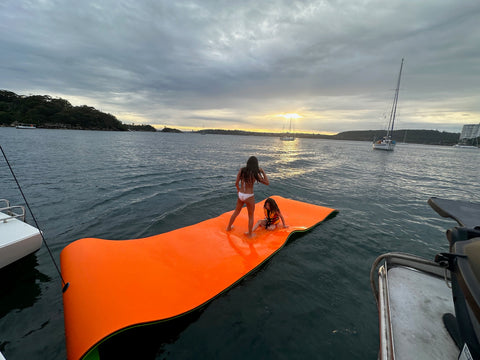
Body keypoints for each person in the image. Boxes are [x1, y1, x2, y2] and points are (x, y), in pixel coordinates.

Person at [226, 156, 269, 237]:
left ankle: (228, 227)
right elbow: (267, 182)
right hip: (249, 196)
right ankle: (249, 234)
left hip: (241, 194)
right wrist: (262, 172)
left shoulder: (242, 170)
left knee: (236, 212)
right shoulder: (255, 173)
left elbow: (236, 183)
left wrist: (238, 191)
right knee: (251, 216)